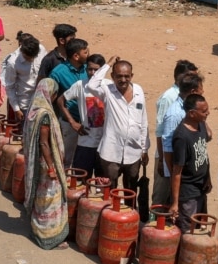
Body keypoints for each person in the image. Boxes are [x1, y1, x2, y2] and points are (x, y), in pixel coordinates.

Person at [86, 59, 150, 193]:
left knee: (131, 191)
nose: (123, 79)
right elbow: (91, 85)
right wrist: (107, 65)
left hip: (133, 152)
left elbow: (143, 121)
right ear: (112, 76)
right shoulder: (107, 91)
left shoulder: (138, 90)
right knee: (108, 190)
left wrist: (144, 149)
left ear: (131, 76)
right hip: (111, 153)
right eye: (119, 76)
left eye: (127, 76)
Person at [22, 79, 70, 250]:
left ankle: (36, 230)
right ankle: (48, 237)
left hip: (36, 163)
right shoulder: (44, 115)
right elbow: (44, 143)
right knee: (50, 198)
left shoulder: (32, 111)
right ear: (50, 94)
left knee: (41, 198)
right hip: (46, 163)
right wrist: (51, 167)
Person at [153, 60, 199, 207]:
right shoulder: (169, 97)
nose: (195, 81)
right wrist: (161, 160)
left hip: (179, 159)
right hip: (166, 158)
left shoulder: (191, 99)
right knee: (161, 197)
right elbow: (161, 132)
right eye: (191, 77)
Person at [169, 94, 213, 232]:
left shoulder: (200, 125)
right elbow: (177, 172)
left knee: (199, 227)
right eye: (204, 111)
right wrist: (175, 203)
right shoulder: (181, 137)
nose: (208, 113)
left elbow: (205, 150)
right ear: (192, 113)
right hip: (188, 194)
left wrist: (208, 178)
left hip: (201, 187)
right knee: (188, 231)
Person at [58, 54, 107, 178]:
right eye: (89, 69)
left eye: (96, 70)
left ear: (102, 70)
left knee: (103, 182)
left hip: (105, 143)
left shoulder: (109, 86)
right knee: (81, 179)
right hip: (86, 142)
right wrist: (73, 122)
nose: (92, 72)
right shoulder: (80, 85)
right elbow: (61, 101)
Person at [51, 38, 90, 165]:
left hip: (88, 121)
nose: (88, 54)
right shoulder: (58, 72)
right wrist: (71, 122)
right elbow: (52, 98)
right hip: (70, 122)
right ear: (76, 56)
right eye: (85, 52)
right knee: (67, 156)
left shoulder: (88, 69)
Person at [3, 31, 46, 125]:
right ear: (21, 50)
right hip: (24, 104)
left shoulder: (41, 49)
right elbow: (10, 87)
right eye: (27, 57)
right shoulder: (13, 62)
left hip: (41, 101)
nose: (31, 60)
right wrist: (16, 109)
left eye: (33, 57)